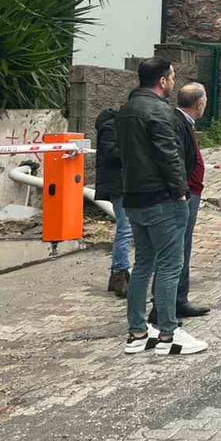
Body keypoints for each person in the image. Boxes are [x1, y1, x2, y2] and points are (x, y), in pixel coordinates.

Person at [115, 58, 206, 356]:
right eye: (172, 77)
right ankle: (169, 333)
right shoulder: (160, 112)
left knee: (142, 265)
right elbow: (170, 156)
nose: (173, 82)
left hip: (134, 197)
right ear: (163, 80)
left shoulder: (126, 110)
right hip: (162, 200)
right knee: (169, 266)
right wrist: (180, 192)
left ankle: (138, 332)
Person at [151, 83, 211, 321]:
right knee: (174, 250)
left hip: (189, 192)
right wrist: (182, 191)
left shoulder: (184, 122)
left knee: (183, 247)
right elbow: (175, 161)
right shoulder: (177, 123)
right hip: (182, 195)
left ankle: (179, 299)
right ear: (200, 104)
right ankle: (163, 306)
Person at [94, 107, 132, 298]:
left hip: (123, 183)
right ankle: (119, 273)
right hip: (119, 185)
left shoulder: (115, 126)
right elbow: (112, 153)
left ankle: (119, 274)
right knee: (125, 229)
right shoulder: (111, 126)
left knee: (127, 229)